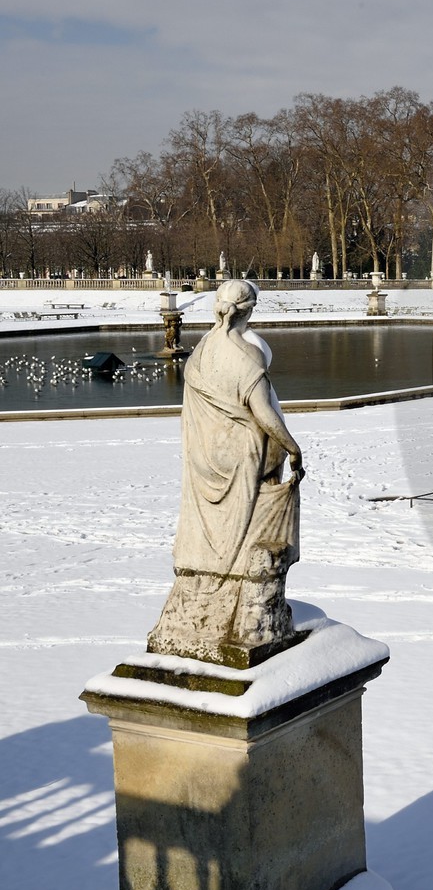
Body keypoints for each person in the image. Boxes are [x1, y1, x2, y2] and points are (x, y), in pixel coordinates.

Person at [147, 280, 305, 668]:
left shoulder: (201, 350)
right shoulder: (246, 357)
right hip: (243, 456)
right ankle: (244, 578)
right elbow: (265, 416)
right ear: (249, 310)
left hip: (206, 455)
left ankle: (211, 569)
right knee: (265, 499)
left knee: (212, 523)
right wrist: (292, 446)